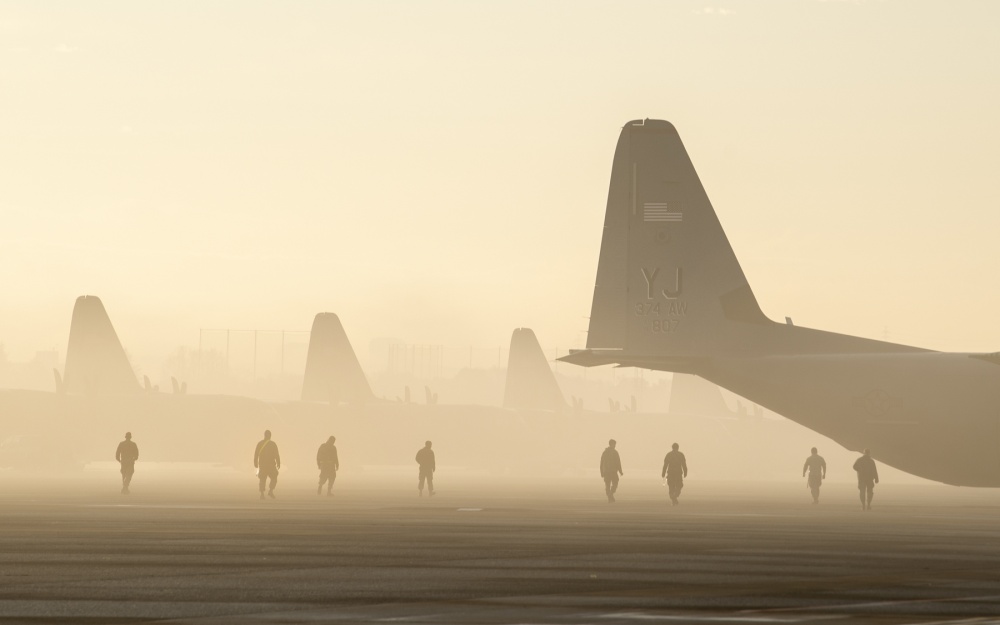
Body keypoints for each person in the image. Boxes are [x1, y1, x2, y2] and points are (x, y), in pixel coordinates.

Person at [254, 430, 281, 500]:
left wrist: (255, 463)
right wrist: (278, 463)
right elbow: (276, 454)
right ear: (270, 436)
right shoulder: (273, 444)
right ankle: (270, 491)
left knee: (262, 479)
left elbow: (256, 454)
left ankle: (262, 494)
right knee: (274, 477)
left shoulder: (260, 444)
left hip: (263, 465)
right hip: (271, 465)